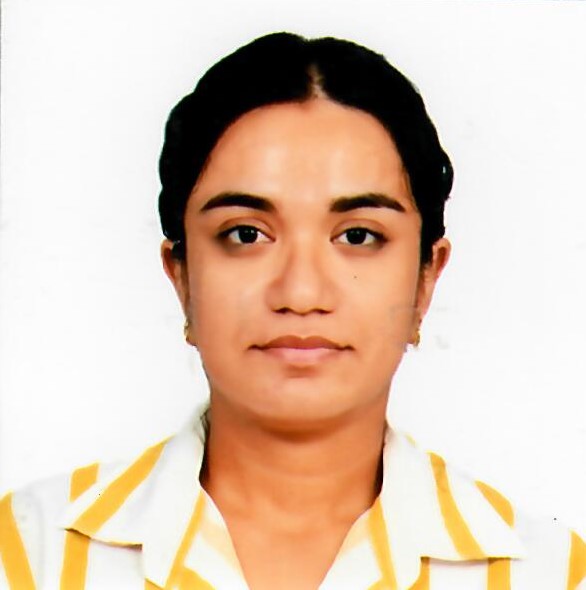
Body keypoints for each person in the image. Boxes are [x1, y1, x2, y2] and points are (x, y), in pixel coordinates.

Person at [0, 31, 584, 590]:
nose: (301, 293)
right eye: (246, 234)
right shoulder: (23, 554)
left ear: (426, 277)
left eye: (358, 236)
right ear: (181, 275)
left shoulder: (553, 575)